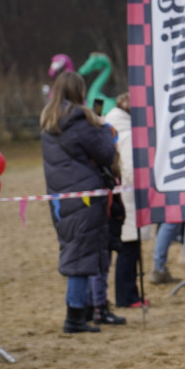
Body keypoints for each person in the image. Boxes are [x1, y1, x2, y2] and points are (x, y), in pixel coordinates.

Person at [40, 70, 119, 333]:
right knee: (82, 256)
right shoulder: (80, 121)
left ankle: (83, 310)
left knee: (77, 250)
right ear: (79, 92)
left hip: (61, 197)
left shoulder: (49, 122)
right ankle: (74, 315)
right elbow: (106, 153)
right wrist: (105, 129)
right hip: (85, 195)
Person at [104, 93, 149, 308]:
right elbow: (131, 170)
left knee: (127, 248)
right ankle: (128, 296)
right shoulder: (129, 134)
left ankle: (129, 294)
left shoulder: (112, 127)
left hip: (121, 194)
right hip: (130, 196)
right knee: (129, 249)